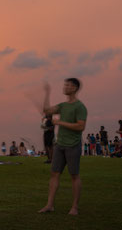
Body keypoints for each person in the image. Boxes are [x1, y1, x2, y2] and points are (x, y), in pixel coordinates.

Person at [39, 78, 87, 216]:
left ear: (75, 88)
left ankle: (75, 208)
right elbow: (46, 110)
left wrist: (60, 122)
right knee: (54, 174)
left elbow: (80, 126)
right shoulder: (62, 106)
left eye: (68, 85)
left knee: (74, 176)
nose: (65, 87)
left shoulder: (80, 107)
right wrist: (47, 93)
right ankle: (49, 205)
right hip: (59, 145)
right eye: (65, 84)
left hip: (73, 146)